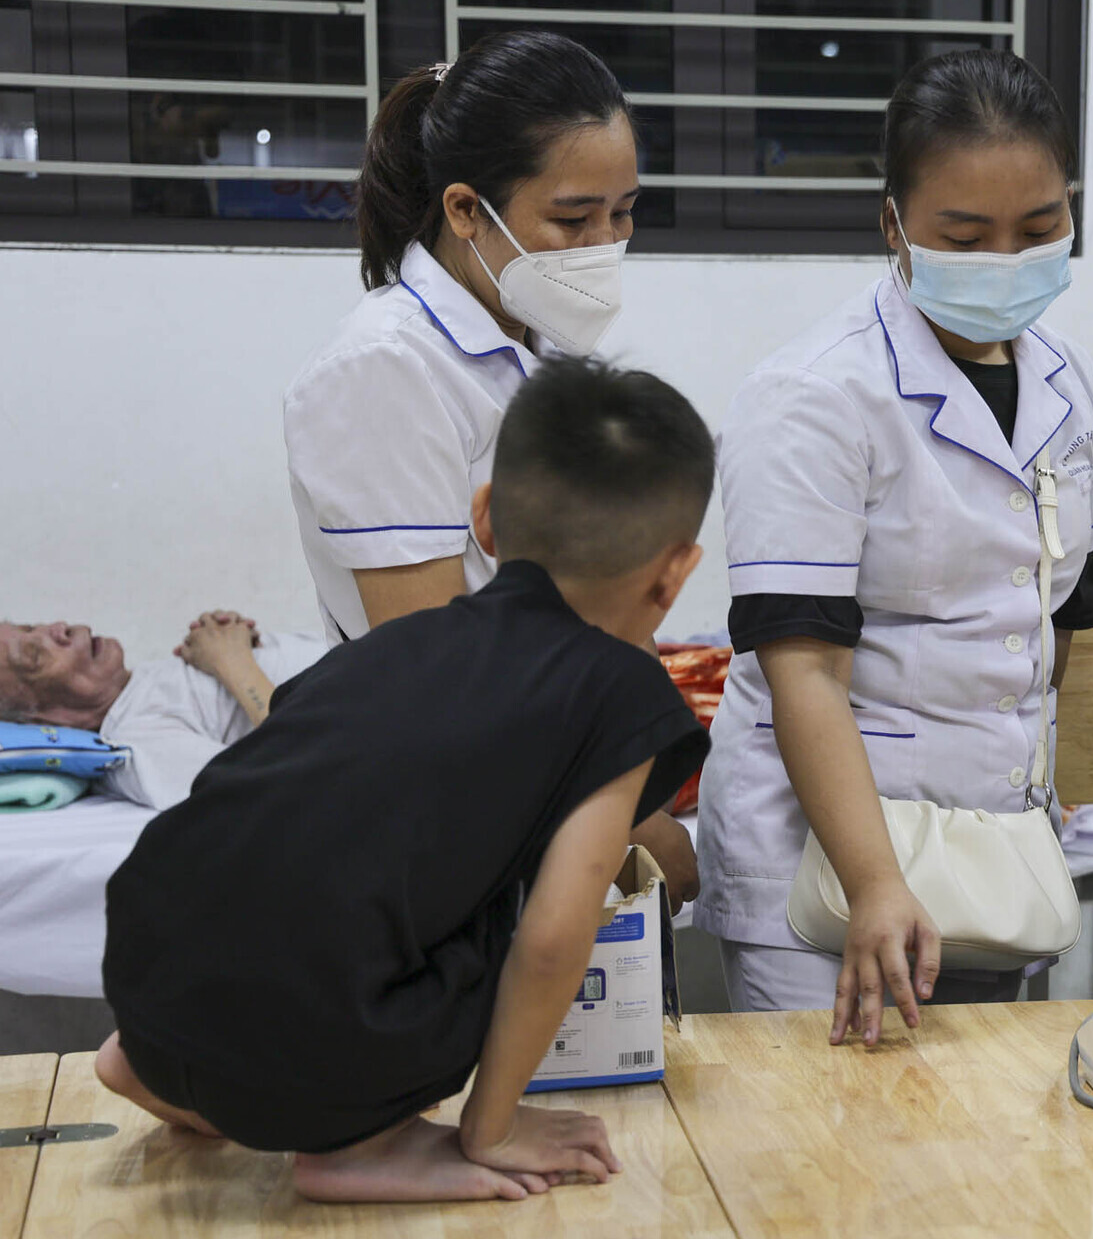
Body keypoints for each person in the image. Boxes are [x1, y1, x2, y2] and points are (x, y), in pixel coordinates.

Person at [97, 357, 713, 1204]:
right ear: (677, 571)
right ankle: (360, 1144)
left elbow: (276, 768)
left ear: (484, 521)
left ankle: (150, 1069)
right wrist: (491, 1127)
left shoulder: (386, 647)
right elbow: (552, 937)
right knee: (495, 898)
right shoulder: (622, 693)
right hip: (321, 1040)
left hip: (143, 982)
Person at [694, 49, 1093, 1043]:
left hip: (989, 864)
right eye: (966, 236)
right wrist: (877, 879)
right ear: (894, 226)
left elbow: (1061, 626)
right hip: (832, 875)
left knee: (974, 1161)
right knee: (834, 1172)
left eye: (1040, 229)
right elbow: (801, 670)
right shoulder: (816, 396)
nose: (1007, 260)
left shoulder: (1067, 387)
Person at [282, 29, 695, 895]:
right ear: (467, 209)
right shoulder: (384, 367)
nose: (604, 243)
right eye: (573, 218)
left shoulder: (532, 343)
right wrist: (618, 815)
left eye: (622, 212)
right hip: (460, 798)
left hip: (546, 769)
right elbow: (435, 662)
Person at [0, 611, 324, 811]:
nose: (57, 628)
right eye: (35, 655)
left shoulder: (142, 689)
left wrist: (231, 647)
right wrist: (234, 662)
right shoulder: (134, 739)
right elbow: (279, 788)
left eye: (31, 626)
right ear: (43, 720)